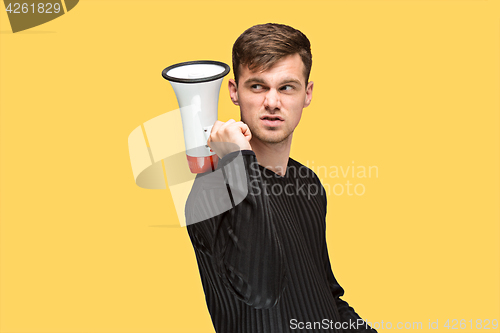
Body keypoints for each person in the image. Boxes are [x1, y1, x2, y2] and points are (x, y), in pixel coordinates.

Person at [185, 23, 376, 333]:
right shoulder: (211, 188)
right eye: (257, 86)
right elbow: (260, 290)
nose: (272, 103)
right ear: (234, 92)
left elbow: (325, 295)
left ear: (307, 93)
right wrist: (238, 158)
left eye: (286, 87)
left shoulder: (308, 183)